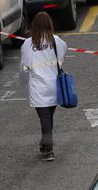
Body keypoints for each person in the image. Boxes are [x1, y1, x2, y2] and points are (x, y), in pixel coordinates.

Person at [19, 12, 67, 161]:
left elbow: (24, 67)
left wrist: (22, 82)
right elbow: (64, 53)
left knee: (44, 118)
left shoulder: (28, 44)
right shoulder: (56, 41)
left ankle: (49, 149)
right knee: (49, 117)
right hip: (54, 86)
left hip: (38, 88)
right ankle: (44, 144)